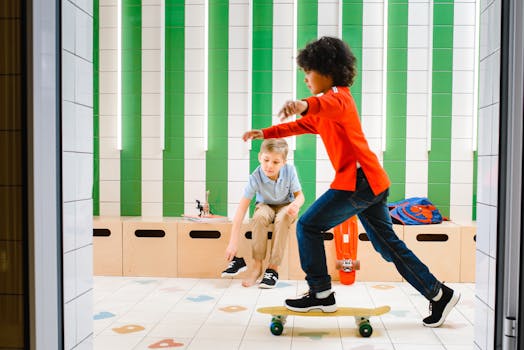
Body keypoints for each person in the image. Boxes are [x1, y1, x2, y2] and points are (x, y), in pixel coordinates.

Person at [241, 36, 460, 327]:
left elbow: (319, 107)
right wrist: (265, 133)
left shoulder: (339, 97)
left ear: (327, 71)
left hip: (359, 181)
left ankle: (321, 294)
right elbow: (301, 124)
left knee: (308, 225)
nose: (305, 78)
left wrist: (301, 104)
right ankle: (438, 293)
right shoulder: (324, 108)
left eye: (309, 71)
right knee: (388, 246)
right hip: (372, 182)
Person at [222, 138, 305, 289]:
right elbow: (241, 209)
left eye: (275, 162)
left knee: (283, 217)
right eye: (266, 160)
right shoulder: (255, 177)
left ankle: (272, 269)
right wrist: (233, 241)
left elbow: (300, 196)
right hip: (265, 205)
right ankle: (257, 267)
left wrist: (296, 205)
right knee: (259, 217)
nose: (269, 166)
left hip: (286, 205)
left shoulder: (290, 171)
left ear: (283, 162)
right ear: (260, 157)